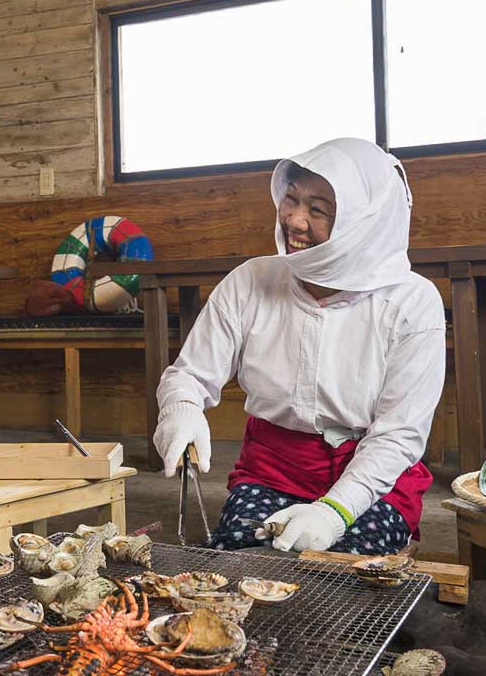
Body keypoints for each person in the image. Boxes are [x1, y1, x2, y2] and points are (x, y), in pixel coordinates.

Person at [153, 137, 445, 555]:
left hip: (375, 481)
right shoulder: (251, 281)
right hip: (272, 471)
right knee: (242, 567)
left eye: (319, 210)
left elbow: (398, 436)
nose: (295, 220)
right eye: (291, 199)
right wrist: (181, 409)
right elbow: (190, 374)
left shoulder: (411, 303)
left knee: (344, 588)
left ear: (365, 225)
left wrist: (334, 512)